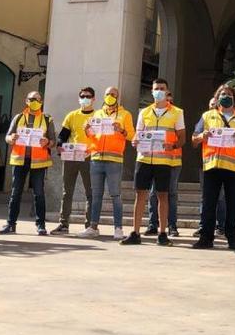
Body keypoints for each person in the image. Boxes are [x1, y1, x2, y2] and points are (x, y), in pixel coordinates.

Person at [121, 78, 186, 247]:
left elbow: (182, 138)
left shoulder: (177, 112)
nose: (158, 91)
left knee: (162, 195)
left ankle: (162, 233)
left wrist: (172, 145)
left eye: (162, 88)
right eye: (156, 88)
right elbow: (138, 133)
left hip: (164, 160)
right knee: (140, 194)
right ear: (152, 91)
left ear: (167, 91)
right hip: (143, 158)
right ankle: (135, 232)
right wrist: (135, 141)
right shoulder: (144, 112)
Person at [191, 85, 235, 250]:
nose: (225, 96)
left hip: (233, 168)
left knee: (233, 205)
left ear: (234, 98)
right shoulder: (207, 116)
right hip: (211, 166)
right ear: (217, 97)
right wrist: (201, 136)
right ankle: (206, 238)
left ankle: (233, 238)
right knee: (208, 204)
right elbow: (193, 139)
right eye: (222, 94)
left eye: (228, 94)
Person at [79, 86, 134, 240]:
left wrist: (121, 130)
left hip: (114, 160)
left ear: (118, 97)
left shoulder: (125, 114)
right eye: (108, 94)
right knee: (96, 195)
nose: (110, 96)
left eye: (113, 94)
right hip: (96, 158)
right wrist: (87, 130)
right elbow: (91, 136)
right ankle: (93, 226)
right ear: (103, 96)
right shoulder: (97, 114)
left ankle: (118, 228)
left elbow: (132, 136)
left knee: (115, 195)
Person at [0, 91, 56, 236]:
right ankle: (10, 224)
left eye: (37, 99)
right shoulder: (18, 117)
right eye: (32, 99)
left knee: (39, 193)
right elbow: (7, 136)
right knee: (15, 193)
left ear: (41, 102)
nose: (35, 101)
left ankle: (41, 225)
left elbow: (53, 141)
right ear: (26, 100)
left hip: (39, 161)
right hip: (19, 159)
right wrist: (11, 138)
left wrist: (47, 142)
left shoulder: (47, 119)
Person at [51, 87, 95, 235]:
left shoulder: (98, 116)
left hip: (89, 157)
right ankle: (63, 224)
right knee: (66, 191)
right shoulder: (72, 115)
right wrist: (59, 145)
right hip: (71, 156)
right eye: (82, 96)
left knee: (90, 192)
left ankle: (90, 225)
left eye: (88, 96)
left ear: (94, 99)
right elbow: (63, 135)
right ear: (79, 98)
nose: (85, 99)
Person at [146, 91, 183, 237]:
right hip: (156, 160)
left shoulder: (177, 114)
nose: (167, 102)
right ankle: (152, 224)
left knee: (171, 193)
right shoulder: (151, 114)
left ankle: (172, 225)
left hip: (173, 160)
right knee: (153, 192)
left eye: (169, 100)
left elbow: (181, 138)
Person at [191, 98, 228, 239]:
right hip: (206, 163)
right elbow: (194, 139)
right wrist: (202, 136)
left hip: (224, 164)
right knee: (205, 197)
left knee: (221, 197)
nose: (213, 107)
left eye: (215, 105)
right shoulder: (204, 118)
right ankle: (204, 226)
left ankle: (221, 226)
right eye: (211, 104)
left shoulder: (227, 118)